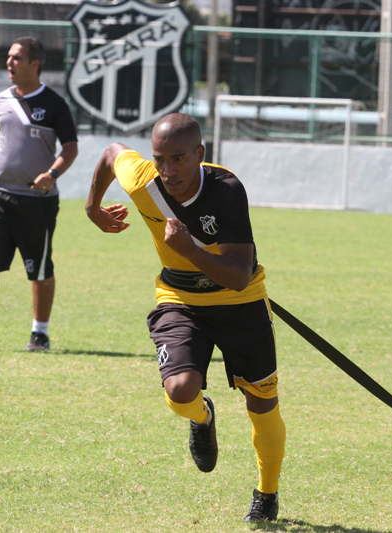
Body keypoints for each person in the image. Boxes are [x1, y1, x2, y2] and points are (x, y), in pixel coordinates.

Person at [85, 113, 285, 523]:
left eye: (178, 159)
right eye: (160, 159)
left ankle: (267, 492)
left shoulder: (226, 190)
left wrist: (191, 250)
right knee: (179, 390)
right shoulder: (144, 180)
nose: (168, 170)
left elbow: (237, 274)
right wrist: (92, 207)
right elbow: (110, 154)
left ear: (199, 154)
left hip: (240, 300)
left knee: (261, 403)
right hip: (178, 297)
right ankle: (202, 417)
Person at [0, 36, 78, 352]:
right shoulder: (1, 100)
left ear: (34, 64)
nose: (9, 62)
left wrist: (51, 175)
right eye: (9, 57)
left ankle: (40, 334)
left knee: (39, 269)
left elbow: (71, 149)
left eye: (17, 57)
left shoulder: (54, 104)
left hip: (37, 202)